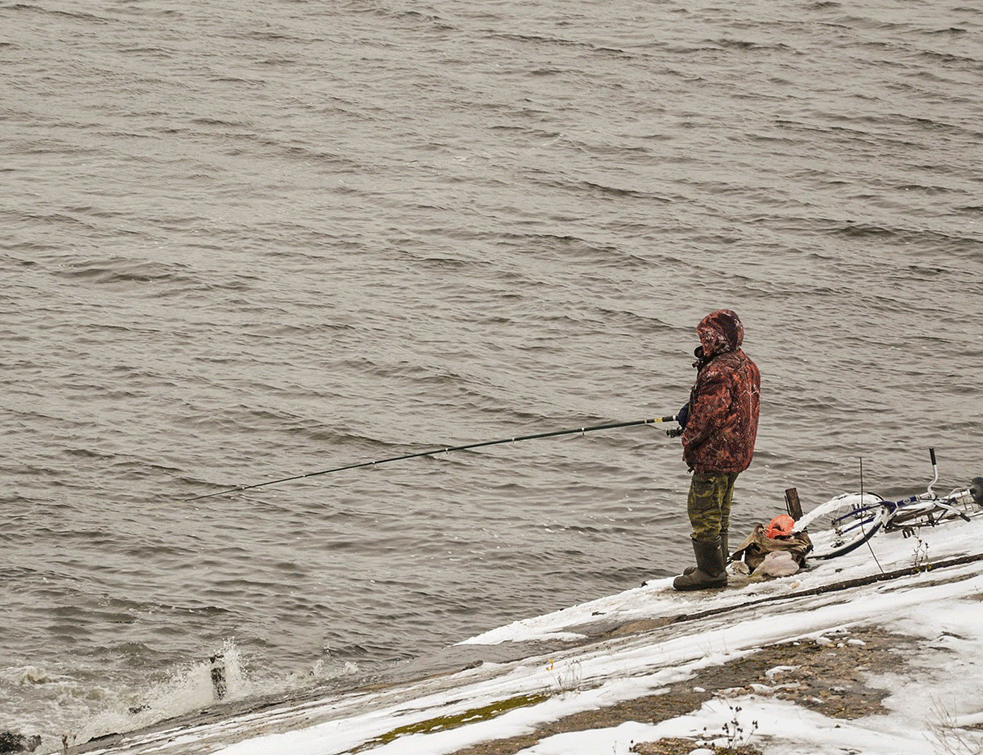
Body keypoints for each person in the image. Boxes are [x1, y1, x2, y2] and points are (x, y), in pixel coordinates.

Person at [672, 309, 760, 591]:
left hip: (716, 454)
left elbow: (707, 419)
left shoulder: (718, 371)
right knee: (721, 509)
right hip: (738, 452)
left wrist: (688, 438)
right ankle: (714, 563)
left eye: (706, 337)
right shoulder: (746, 364)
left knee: (702, 510)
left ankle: (710, 573)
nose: (703, 341)